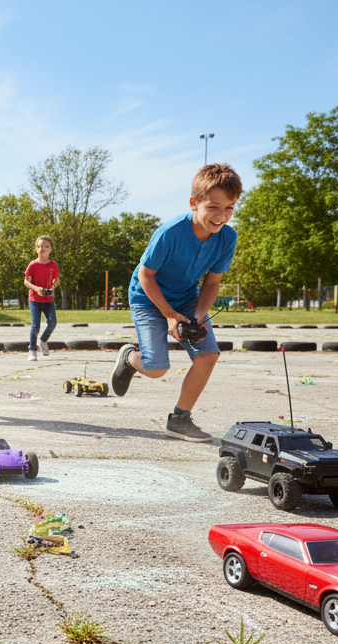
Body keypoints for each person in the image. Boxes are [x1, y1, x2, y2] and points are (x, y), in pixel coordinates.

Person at [108, 163, 242, 441]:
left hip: (186, 297)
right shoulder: (170, 233)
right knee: (157, 369)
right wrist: (169, 316)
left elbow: (213, 282)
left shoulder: (227, 238)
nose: (222, 216)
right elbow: (145, 275)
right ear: (194, 203)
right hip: (147, 296)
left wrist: (200, 314)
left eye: (229, 208)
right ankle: (130, 358)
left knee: (208, 356)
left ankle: (180, 419)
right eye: (213, 207)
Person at [24, 235, 59, 361]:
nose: (42, 249)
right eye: (39, 246)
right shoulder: (33, 265)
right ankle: (32, 350)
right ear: (36, 249)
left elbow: (56, 280)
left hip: (49, 299)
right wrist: (36, 289)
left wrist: (55, 284)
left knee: (52, 322)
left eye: (46, 246)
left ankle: (43, 340)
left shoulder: (53, 265)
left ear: (51, 249)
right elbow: (26, 282)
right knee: (35, 325)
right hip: (35, 299)